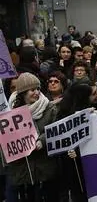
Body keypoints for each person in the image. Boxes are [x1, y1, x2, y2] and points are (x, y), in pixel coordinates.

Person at [6, 73, 59, 201]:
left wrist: (42, 141)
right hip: (23, 168)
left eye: (38, 89)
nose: (36, 92)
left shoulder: (49, 107)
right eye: (32, 90)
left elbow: (55, 129)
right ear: (23, 92)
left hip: (44, 166)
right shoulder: (10, 112)